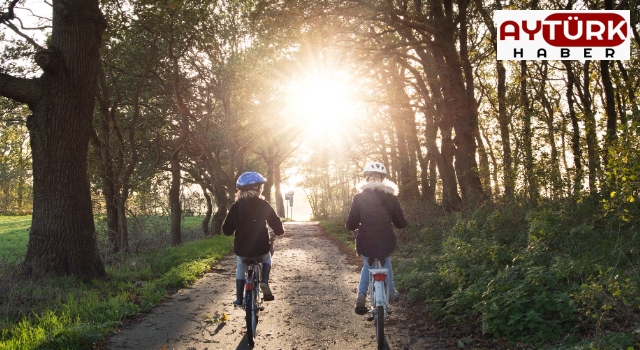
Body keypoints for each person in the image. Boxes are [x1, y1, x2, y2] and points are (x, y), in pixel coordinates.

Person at [345, 161, 408, 315]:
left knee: (367, 264)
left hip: (365, 240)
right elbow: (401, 223)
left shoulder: (359, 197)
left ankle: (361, 296)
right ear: (382, 179)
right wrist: (398, 222)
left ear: (366, 178)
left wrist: (353, 227)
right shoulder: (391, 197)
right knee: (386, 260)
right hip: (386, 239)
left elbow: (351, 223)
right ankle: (391, 291)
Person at [222, 171, 285, 306]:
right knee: (267, 258)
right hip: (261, 248)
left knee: (241, 265)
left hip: (242, 250)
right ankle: (264, 282)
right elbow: (276, 225)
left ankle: (239, 298)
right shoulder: (264, 205)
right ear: (257, 188)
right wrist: (279, 231)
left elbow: (226, 231)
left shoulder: (235, 207)